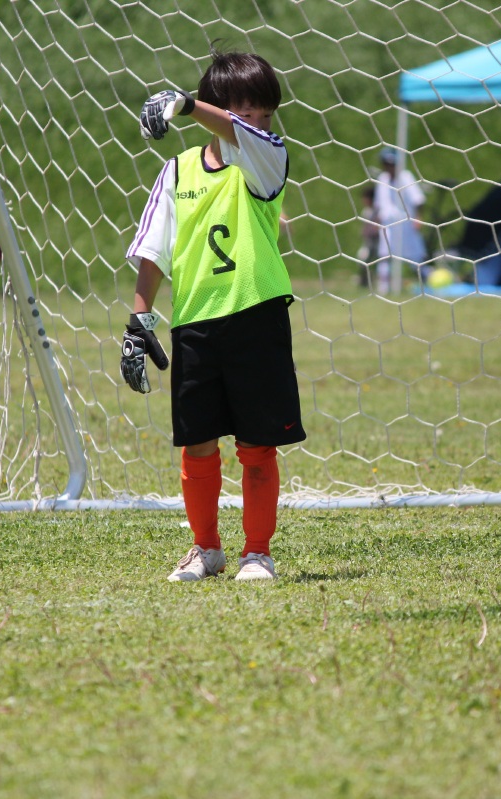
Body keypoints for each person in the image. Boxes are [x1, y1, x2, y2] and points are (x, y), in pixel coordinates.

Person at [122, 48, 304, 583]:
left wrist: (183, 104)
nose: (260, 124)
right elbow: (154, 251)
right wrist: (138, 320)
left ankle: (258, 553)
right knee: (197, 441)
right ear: (221, 111)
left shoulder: (267, 159)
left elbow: (246, 138)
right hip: (195, 323)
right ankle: (206, 549)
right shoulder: (176, 172)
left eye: (267, 114)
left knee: (256, 443)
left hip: (256, 316)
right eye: (247, 114)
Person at [372, 147, 426, 291]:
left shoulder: (406, 177)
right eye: (386, 164)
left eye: (391, 164)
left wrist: (418, 218)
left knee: (415, 254)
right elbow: (378, 204)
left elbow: (418, 200)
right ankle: (383, 288)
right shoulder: (382, 178)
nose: (389, 167)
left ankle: (425, 282)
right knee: (384, 254)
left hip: (406, 223)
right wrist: (376, 221)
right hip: (387, 224)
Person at [356, 185, 381, 287]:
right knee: (362, 258)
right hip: (368, 242)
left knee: (378, 261)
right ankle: (365, 280)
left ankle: (376, 280)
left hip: (378, 241)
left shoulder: (378, 210)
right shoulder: (366, 211)